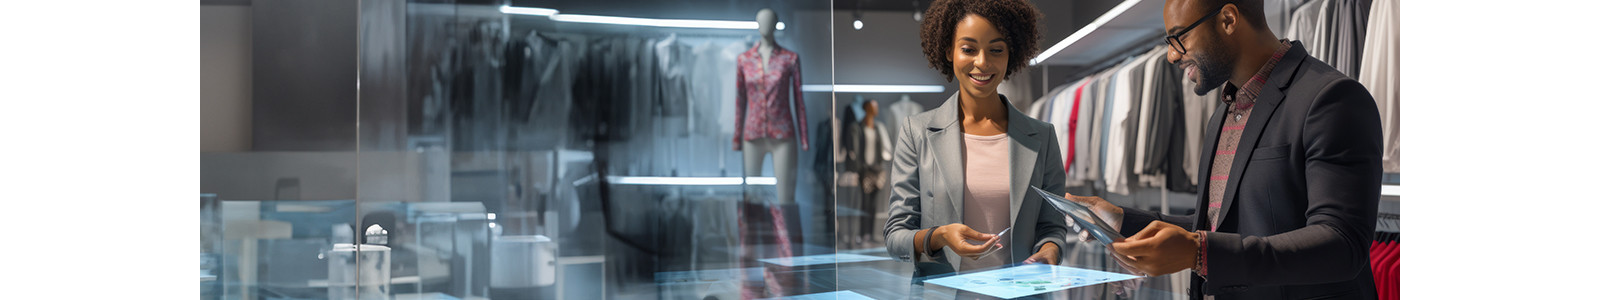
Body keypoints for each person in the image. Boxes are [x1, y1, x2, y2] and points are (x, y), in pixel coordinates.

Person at [1062, 0, 1383, 299]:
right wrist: (1122, 220)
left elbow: (1342, 244)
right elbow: (1220, 225)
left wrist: (1198, 252)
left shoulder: (1330, 98)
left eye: (1179, 37)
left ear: (1228, 20)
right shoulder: (1225, 112)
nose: (1172, 56)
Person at [883, 0, 1069, 278]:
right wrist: (940, 236)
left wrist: (1051, 249)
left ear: (1010, 55)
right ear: (949, 51)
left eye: (996, 50)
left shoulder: (1041, 136)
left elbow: (1052, 226)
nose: (982, 62)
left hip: (1020, 292)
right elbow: (895, 236)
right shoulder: (917, 132)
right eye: (968, 49)